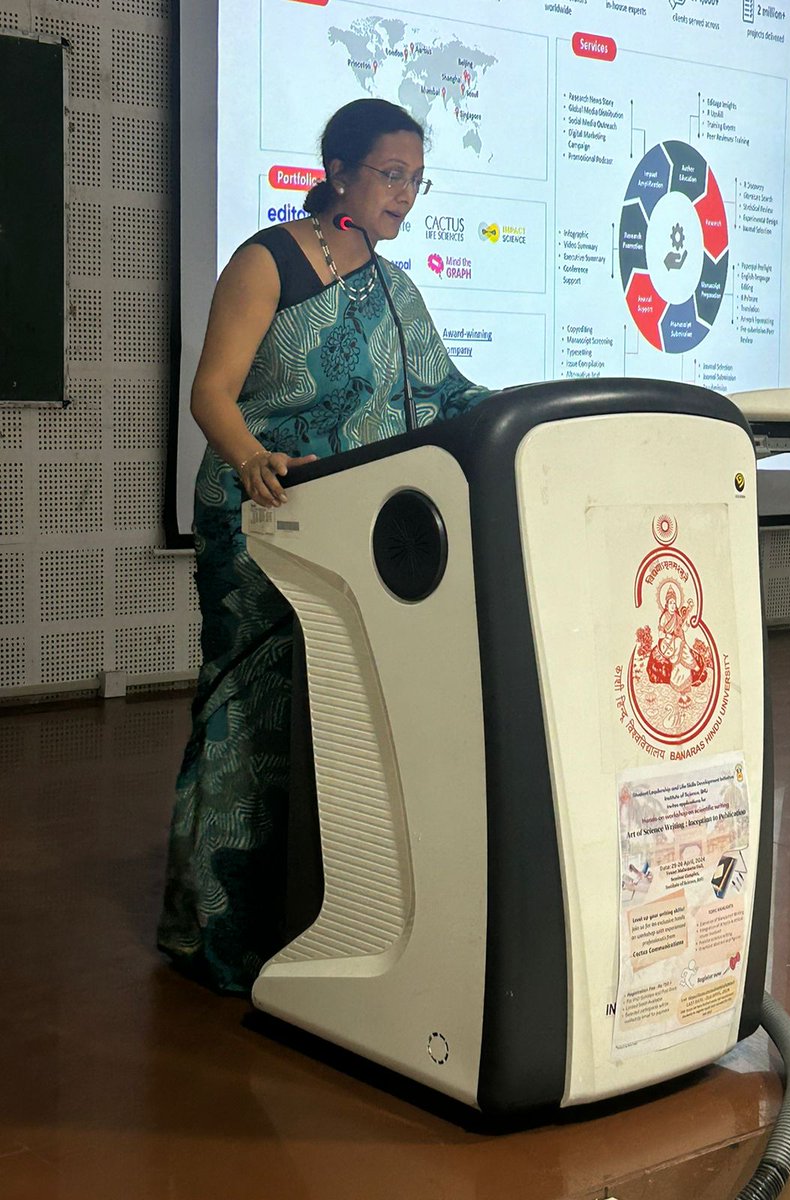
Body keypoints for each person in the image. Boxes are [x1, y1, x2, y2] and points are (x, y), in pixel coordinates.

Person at [158, 99, 491, 994]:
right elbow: (211, 394)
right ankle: (212, 931)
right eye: (392, 175)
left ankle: (314, 919)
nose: (406, 196)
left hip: (353, 539)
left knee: (336, 723)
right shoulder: (267, 262)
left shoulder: (394, 287)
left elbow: (446, 393)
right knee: (250, 719)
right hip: (262, 520)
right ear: (340, 171)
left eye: (418, 180)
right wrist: (253, 457)